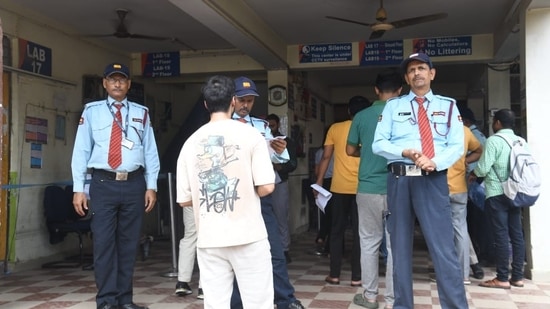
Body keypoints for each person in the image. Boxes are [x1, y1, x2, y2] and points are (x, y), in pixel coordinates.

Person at [372, 52, 468, 308]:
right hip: (400, 180)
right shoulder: (393, 106)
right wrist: (403, 152)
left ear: (432, 73)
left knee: (443, 249)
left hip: (432, 179)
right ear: (406, 77)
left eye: (422, 68)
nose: (417, 73)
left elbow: (457, 145)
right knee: (399, 250)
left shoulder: (448, 106)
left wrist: (435, 161)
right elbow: (378, 144)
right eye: (412, 70)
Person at [176, 75, 275, 308]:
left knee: (216, 303)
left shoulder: (190, 142)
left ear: (206, 104)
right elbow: (267, 186)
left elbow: (184, 200)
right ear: (233, 101)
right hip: (249, 236)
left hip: (210, 238)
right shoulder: (252, 135)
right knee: (258, 302)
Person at [71, 62, 160, 309]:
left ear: (129, 84)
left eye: (122, 80)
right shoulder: (91, 111)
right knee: (103, 244)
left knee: (128, 244)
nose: (118, 84)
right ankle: (107, 301)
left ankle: (125, 299)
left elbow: (150, 152)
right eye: (113, 79)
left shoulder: (142, 112)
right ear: (105, 83)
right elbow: (81, 151)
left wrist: (151, 185)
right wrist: (79, 188)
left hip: (134, 184)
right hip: (103, 183)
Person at [230, 76, 304, 309]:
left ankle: (285, 299)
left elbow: (273, 158)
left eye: (250, 101)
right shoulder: (221, 125)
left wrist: (280, 151)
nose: (245, 105)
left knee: (274, 250)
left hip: (261, 197)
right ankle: (237, 303)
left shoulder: (261, 126)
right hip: (234, 199)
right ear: (231, 100)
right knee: (235, 254)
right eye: (242, 100)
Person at [346, 69, 402, 309]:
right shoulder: (404, 114)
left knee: (368, 243)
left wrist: (367, 152)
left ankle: (370, 297)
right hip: (397, 187)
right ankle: (392, 300)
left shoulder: (362, 116)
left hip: (367, 188)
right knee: (394, 245)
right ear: (400, 91)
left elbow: (349, 151)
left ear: (376, 91)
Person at [314, 95, 370, 287]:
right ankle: (356, 277)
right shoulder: (369, 127)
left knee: (336, 232)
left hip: (338, 188)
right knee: (359, 233)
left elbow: (325, 157)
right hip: (363, 188)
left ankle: (335, 275)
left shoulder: (335, 128)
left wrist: (319, 182)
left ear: (348, 111)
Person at [469, 109, 526, 289]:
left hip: (497, 193)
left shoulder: (494, 140)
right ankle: (517, 276)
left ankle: (502, 277)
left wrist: (472, 175)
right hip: (516, 192)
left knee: (500, 235)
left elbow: (483, 168)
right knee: (516, 235)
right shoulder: (521, 141)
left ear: (498, 123)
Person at [447, 126, 482, 285]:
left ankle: (446, 272)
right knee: (461, 229)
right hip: (459, 188)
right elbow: (479, 150)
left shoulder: (434, 127)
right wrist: (465, 160)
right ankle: (463, 276)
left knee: (440, 232)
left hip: (438, 189)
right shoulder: (465, 131)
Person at [460, 107, 494, 271]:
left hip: (475, 184)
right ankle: (476, 260)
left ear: (465, 121)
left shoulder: (471, 134)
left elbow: (480, 157)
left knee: (477, 223)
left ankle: (479, 259)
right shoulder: (476, 134)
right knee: (467, 224)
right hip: (472, 185)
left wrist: (464, 162)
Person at [266, 113, 298, 263]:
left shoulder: (285, 141)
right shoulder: (259, 139)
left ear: (278, 125)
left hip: (279, 181)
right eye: (267, 126)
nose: (270, 129)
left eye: (272, 125)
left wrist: (278, 166)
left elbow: (292, 164)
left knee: (281, 216)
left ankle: (284, 249)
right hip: (262, 182)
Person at [174, 209, 203, 299]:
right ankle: (203, 288)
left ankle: (182, 283)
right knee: (208, 239)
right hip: (212, 200)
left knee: (190, 237)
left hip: (189, 200)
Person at [314, 141, 333, 256]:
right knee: (336, 216)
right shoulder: (339, 151)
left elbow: (317, 171)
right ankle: (331, 246)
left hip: (323, 183)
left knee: (325, 212)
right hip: (337, 183)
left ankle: (321, 237)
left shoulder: (319, 152)